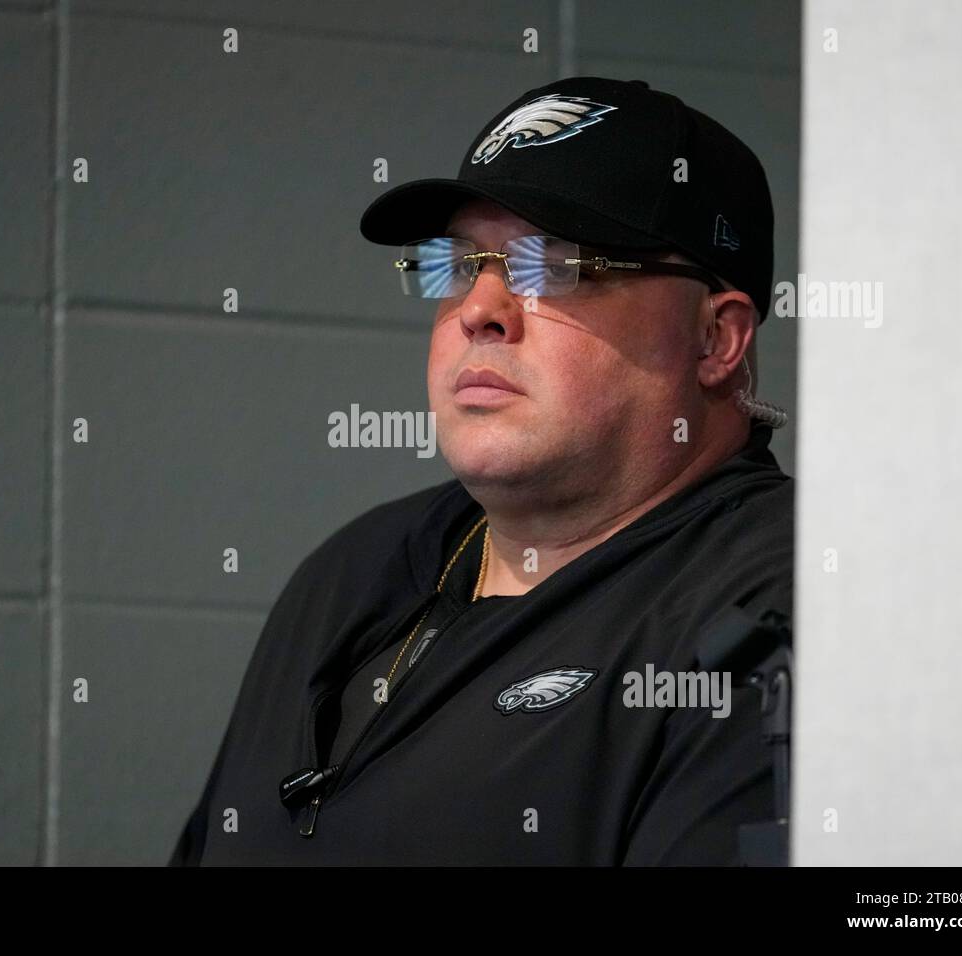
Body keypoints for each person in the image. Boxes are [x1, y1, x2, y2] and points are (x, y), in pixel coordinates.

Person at [170, 76, 792, 865]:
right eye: (462, 265)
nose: (479, 308)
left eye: (555, 264)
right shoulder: (350, 572)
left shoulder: (779, 609)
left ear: (715, 340)